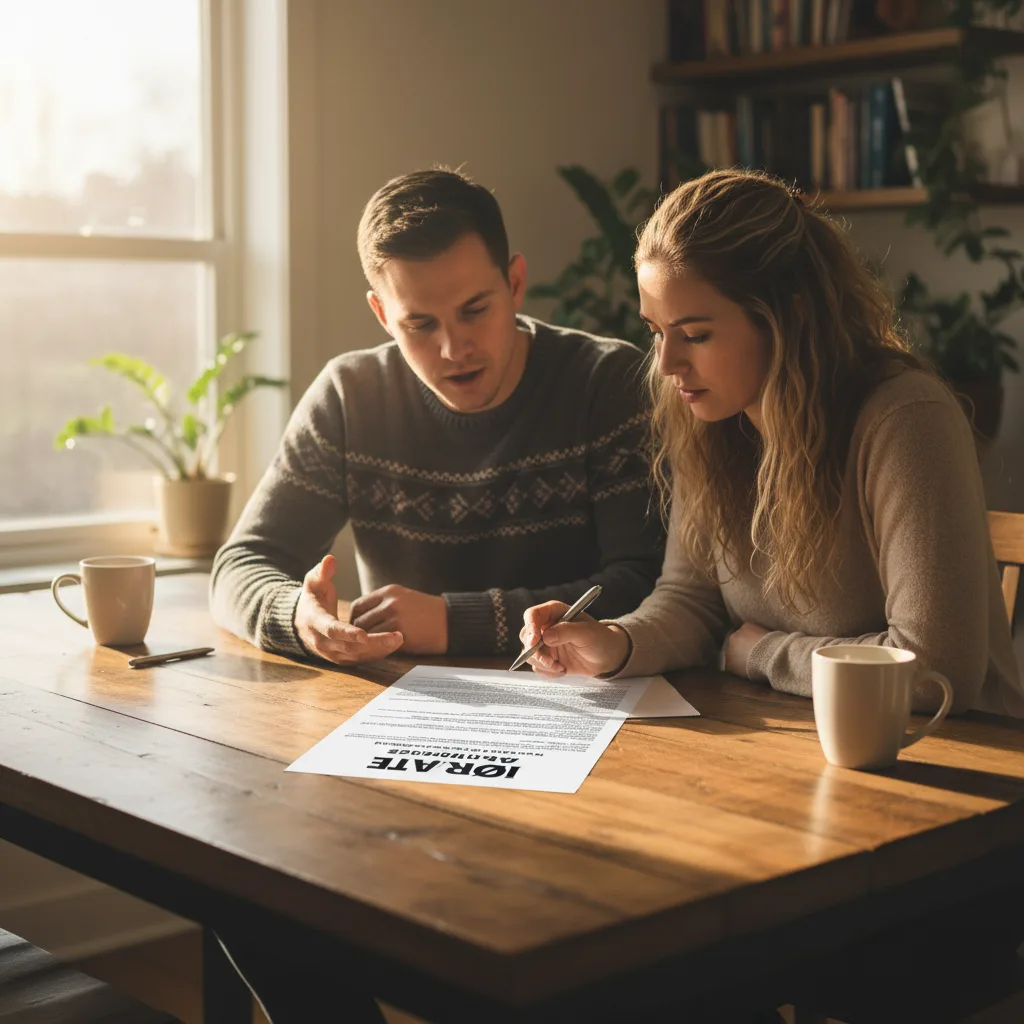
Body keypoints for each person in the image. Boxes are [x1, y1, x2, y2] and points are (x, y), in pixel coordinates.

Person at [520, 168, 1022, 717]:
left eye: (696, 335)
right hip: (802, 739)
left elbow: (933, 670)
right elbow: (692, 600)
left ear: (789, 315)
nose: (667, 364)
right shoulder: (712, 416)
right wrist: (614, 642)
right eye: (656, 332)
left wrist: (762, 653)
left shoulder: (904, 420)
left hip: (956, 759)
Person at [210, 168, 664, 666]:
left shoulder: (607, 382)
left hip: (585, 700)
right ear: (383, 315)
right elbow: (242, 563)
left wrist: (455, 621)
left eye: (474, 310)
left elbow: (650, 582)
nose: (454, 349)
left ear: (514, 283)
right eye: (420, 324)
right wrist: (298, 616)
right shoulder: (350, 396)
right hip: (400, 709)